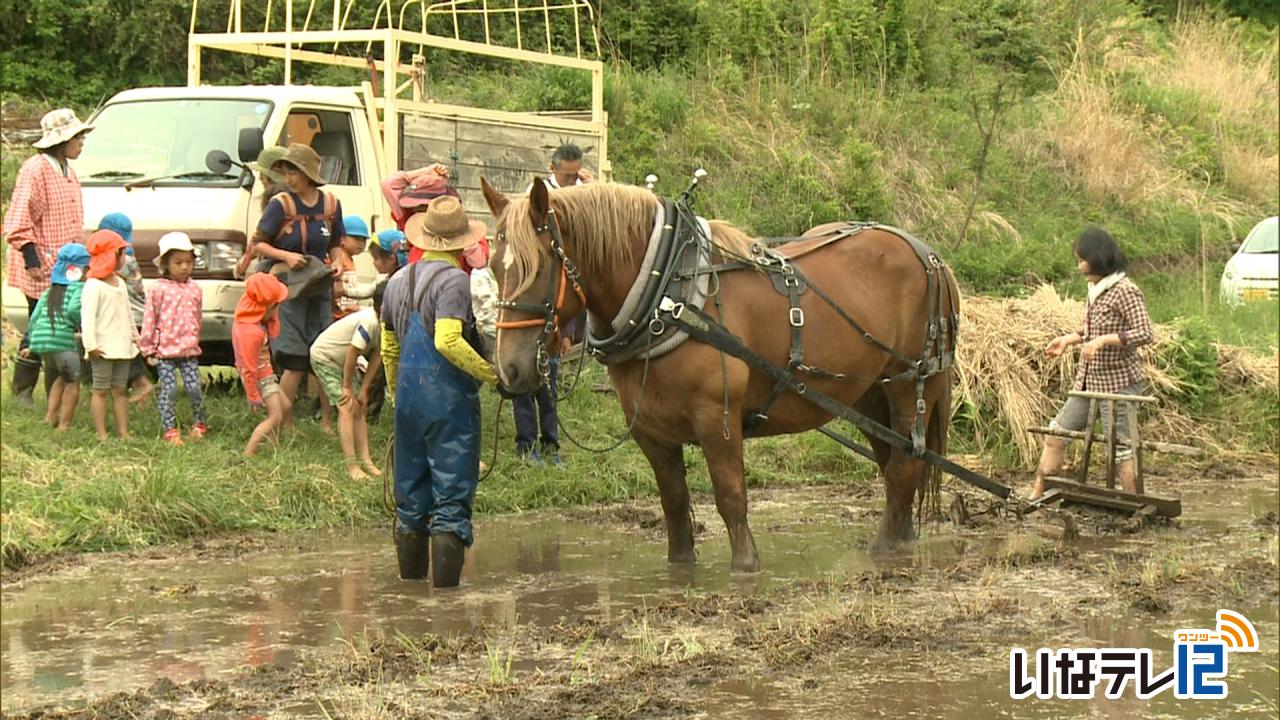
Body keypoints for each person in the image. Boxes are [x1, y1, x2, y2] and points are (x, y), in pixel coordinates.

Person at [382, 196, 496, 587]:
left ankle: (410, 593)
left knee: (410, 499)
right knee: (450, 500)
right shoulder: (455, 282)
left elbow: (387, 345)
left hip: (407, 403)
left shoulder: (396, 280)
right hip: (449, 405)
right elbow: (448, 340)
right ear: (460, 242)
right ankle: (446, 605)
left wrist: (398, 393)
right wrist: (490, 373)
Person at [1032, 227, 1154, 498]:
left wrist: (1104, 341)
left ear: (1098, 258)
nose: (1079, 266)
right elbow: (1090, 331)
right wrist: (1068, 340)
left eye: (1082, 259)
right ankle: (1036, 496)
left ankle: (1133, 501)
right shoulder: (1095, 290)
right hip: (1088, 382)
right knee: (1055, 435)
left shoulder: (1125, 290)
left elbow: (1145, 332)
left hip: (1118, 383)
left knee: (1120, 448)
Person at [244, 144, 346, 423]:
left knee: (323, 352)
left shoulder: (331, 204)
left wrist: (336, 261)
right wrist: (287, 256)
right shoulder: (281, 205)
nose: (288, 178)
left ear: (308, 173)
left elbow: (336, 243)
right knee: (295, 356)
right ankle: (281, 421)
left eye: (294, 172)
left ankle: (327, 420)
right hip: (287, 286)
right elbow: (259, 244)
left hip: (318, 284)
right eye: (285, 172)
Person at [4, 108, 92, 408]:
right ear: (62, 139)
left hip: (64, 265)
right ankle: (23, 391)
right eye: (78, 137)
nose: (81, 142)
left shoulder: (68, 170)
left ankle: (53, 392)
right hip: (40, 264)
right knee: (40, 325)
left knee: (57, 327)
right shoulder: (35, 169)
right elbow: (18, 217)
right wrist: (31, 257)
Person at [139, 232, 208, 445]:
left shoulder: (195, 289)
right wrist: (147, 346)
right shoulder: (158, 289)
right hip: (165, 352)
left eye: (188, 262)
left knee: (194, 387)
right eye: (178, 262)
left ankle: (201, 423)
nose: (184, 267)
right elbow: (150, 317)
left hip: (188, 350)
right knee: (168, 390)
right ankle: (169, 429)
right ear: (166, 264)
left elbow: (197, 316)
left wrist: (196, 337)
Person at [310, 284, 385, 480]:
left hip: (344, 363)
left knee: (358, 407)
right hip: (325, 357)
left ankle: (366, 461)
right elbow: (353, 352)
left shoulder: (386, 325)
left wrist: (364, 390)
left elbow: (377, 357)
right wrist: (346, 387)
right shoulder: (369, 322)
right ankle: (352, 467)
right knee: (346, 407)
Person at [82, 230, 139, 440]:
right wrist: (90, 346)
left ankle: (123, 432)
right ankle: (102, 433)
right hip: (102, 349)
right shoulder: (93, 286)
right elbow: (87, 318)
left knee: (121, 389)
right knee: (100, 390)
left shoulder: (120, 283)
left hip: (122, 347)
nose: (125, 258)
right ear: (112, 255)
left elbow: (127, 313)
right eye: (122, 253)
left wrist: (135, 337)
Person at [380, 163, 489, 271]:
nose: (419, 211)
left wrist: (462, 236)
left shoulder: (464, 231)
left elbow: (479, 262)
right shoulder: (414, 225)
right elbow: (388, 185)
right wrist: (425, 171)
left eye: (425, 207)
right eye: (417, 207)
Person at [28, 243, 90, 431]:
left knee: (60, 378)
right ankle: (65, 424)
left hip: (42, 342)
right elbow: (73, 309)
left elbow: (34, 318)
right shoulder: (78, 288)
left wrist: (31, 342)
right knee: (73, 382)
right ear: (80, 270)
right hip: (62, 341)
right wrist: (82, 322)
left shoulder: (49, 291)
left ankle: (50, 416)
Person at [98, 212, 155, 405]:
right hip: (139, 313)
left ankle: (142, 383)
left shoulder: (120, 260)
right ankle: (142, 393)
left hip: (130, 315)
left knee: (122, 353)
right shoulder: (127, 255)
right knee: (128, 353)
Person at [232, 274, 291, 456]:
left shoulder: (250, 319)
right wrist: (253, 396)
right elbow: (249, 367)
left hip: (265, 371)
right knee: (275, 416)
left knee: (286, 406)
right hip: (260, 377)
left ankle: (273, 447)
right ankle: (248, 454)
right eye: (277, 304)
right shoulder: (252, 333)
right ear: (268, 306)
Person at [332, 216, 372, 320]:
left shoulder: (349, 258)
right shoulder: (338, 258)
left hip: (350, 311)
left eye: (364, 239)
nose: (361, 243)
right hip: (340, 313)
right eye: (356, 238)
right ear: (342, 238)